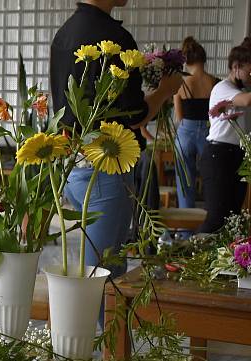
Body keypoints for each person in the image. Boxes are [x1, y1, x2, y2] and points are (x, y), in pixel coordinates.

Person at [50, 0, 182, 279]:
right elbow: (135, 115)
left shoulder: (64, 33)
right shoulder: (116, 38)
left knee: (99, 265)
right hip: (105, 167)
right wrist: (165, 90)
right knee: (103, 270)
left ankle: (103, 323)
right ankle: (101, 324)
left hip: (73, 165)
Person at [198, 42, 251, 233]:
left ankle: (224, 261)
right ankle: (190, 258)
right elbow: (246, 101)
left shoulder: (242, 90)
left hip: (237, 155)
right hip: (218, 155)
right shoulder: (223, 87)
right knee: (216, 218)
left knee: (233, 219)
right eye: (250, 72)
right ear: (236, 67)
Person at [173, 37, 218, 214]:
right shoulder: (215, 82)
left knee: (184, 181)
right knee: (211, 179)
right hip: (209, 132)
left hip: (185, 132)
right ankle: (211, 225)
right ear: (203, 59)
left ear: (187, 61)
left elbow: (178, 116)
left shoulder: (181, 83)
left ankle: (185, 232)